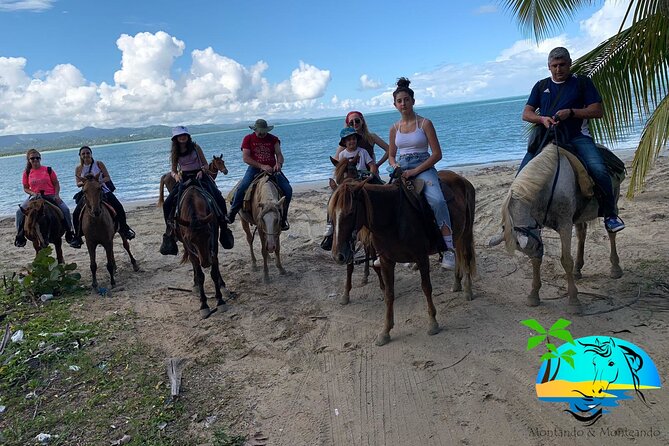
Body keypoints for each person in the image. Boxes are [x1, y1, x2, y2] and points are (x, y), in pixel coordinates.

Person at [520, 46, 625, 233]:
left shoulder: (582, 83)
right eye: (554, 66)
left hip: (577, 137)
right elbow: (526, 113)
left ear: (570, 64)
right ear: (548, 67)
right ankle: (520, 220)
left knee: (599, 170)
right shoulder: (541, 86)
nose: (558, 69)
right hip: (547, 139)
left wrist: (572, 112)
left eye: (562, 65)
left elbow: (597, 111)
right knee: (520, 178)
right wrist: (542, 119)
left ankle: (610, 215)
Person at [387, 77, 455, 270]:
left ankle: (449, 249)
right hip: (401, 168)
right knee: (387, 202)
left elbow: (437, 154)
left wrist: (415, 171)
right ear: (395, 104)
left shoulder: (424, 123)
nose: (403, 104)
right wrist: (395, 167)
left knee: (437, 201)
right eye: (399, 101)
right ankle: (400, 248)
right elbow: (392, 155)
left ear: (413, 101)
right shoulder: (394, 128)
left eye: (406, 100)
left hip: (423, 166)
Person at [159, 126, 232, 255]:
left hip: (199, 175)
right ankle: (169, 231)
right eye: (179, 136)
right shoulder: (175, 151)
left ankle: (224, 224)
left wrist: (201, 171)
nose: (182, 137)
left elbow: (204, 163)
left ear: (188, 136)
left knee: (218, 197)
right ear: (176, 138)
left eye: (184, 135)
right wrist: (176, 176)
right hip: (184, 177)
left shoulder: (195, 147)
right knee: (168, 203)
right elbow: (173, 170)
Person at [227, 119, 292, 230]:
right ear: (255, 129)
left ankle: (283, 218)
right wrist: (261, 166)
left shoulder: (273, 139)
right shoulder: (248, 139)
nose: (262, 133)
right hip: (254, 168)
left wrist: (279, 163)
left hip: (272, 169)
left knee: (288, 189)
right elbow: (246, 158)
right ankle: (232, 212)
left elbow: (279, 155)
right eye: (260, 131)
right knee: (242, 187)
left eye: (264, 131)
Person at [69, 146, 136, 248]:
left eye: (87, 153)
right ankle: (77, 236)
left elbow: (107, 177)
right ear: (80, 156)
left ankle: (124, 229)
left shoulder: (98, 164)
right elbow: (77, 183)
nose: (86, 155)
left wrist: (98, 182)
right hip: (87, 193)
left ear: (91, 154)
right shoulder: (78, 168)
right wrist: (85, 183)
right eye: (83, 154)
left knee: (119, 207)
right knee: (76, 213)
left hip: (102, 190)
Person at [14, 149, 75, 247]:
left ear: (40, 158)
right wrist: (33, 193)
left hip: (50, 195)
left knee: (65, 209)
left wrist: (57, 195)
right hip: (34, 197)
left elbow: (56, 184)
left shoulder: (48, 170)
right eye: (32, 158)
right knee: (19, 212)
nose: (35, 160)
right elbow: (25, 188)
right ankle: (20, 236)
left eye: (37, 157)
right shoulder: (27, 173)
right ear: (29, 160)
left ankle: (69, 233)